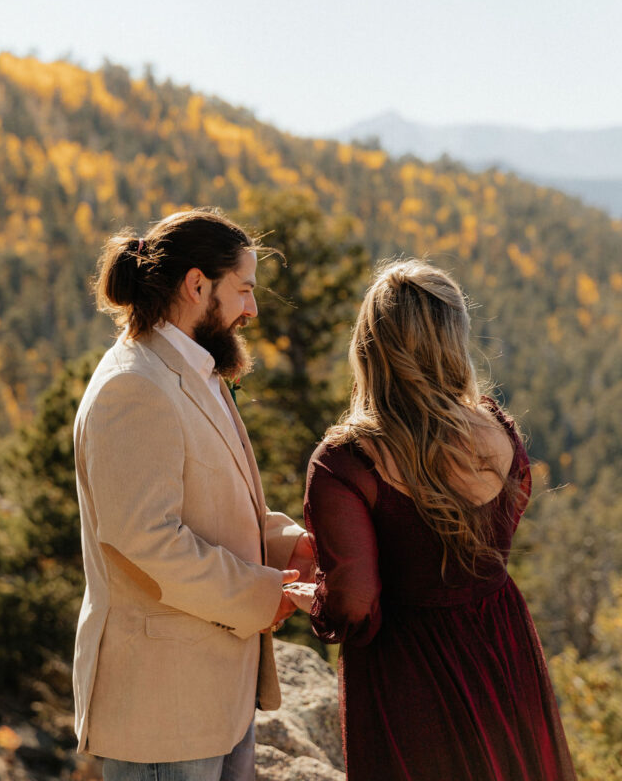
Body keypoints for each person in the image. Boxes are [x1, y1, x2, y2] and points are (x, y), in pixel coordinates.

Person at [287, 258, 577, 781]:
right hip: (501, 644)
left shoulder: (348, 460)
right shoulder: (497, 431)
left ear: (369, 346)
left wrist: (319, 600)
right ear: (454, 340)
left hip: (410, 671)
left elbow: (353, 601)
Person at [72, 208, 313, 781]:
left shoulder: (191, 371)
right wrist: (264, 595)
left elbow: (211, 504)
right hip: (163, 709)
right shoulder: (134, 385)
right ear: (197, 285)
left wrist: (291, 546)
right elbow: (147, 539)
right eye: (244, 289)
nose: (252, 309)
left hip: (213, 698)